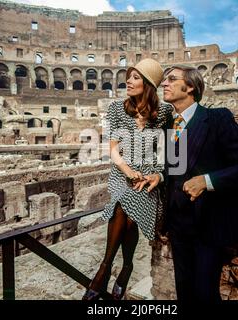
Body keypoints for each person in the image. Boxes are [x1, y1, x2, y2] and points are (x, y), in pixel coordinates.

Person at [141, 65, 238, 302]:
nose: (164, 84)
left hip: (209, 223)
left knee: (205, 293)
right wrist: (161, 176)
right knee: (184, 291)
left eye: (172, 79)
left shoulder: (218, 118)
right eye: (164, 80)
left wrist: (207, 181)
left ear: (190, 87)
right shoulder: (171, 126)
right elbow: (176, 168)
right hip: (178, 224)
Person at [82, 58, 173, 300]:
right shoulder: (116, 109)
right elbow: (112, 149)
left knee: (128, 215)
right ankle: (108, 266)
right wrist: (127, 171)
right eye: (128, 76)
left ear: (149, 84)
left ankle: (123, 267)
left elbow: (169, 154)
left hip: (149, 174)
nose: (128, 81)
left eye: (135, 77)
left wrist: (158, 175)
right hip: (122, 171)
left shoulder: (164, 112)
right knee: (123, 204)